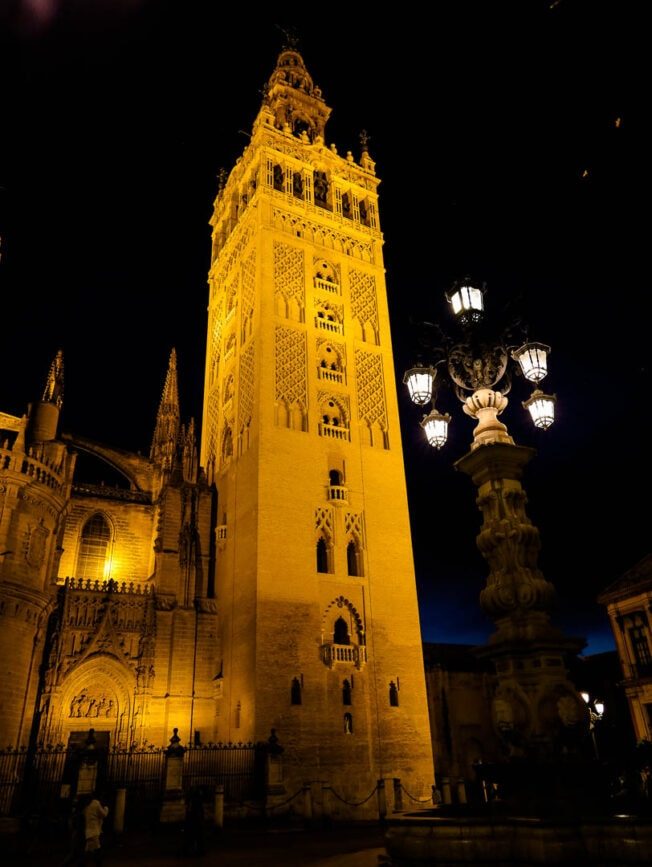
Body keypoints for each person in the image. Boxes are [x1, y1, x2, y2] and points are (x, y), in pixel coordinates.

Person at [83, 792, 109, 865]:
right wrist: (106, 808)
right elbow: (104, 814)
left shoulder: (87, 805)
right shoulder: (96, 803)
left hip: (88, 832)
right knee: (97, 851)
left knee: (89, 852)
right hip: (94, 832)